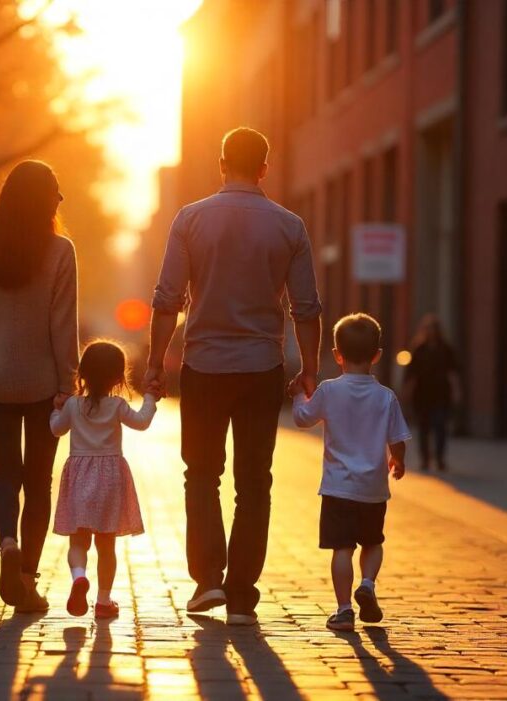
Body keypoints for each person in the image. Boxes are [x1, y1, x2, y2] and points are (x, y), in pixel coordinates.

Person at [146, 127, 322, 625]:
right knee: (254, 481)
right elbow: (306, 308)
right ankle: (242, 593)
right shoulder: (290, 227)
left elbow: (166, 299)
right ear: (264, 167)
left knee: (201, 475)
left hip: (203, 366)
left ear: (221, 163)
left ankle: (207, 582)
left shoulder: (190, 219)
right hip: (262, 368)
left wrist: (156, 365)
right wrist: (308, 369)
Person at [0, 160, 79, 613]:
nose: (61, 199)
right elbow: (63, 326)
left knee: (4, 475)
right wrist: (68, 383)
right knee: (39, 482)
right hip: (44, 385)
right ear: (42, 199)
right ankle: (27, 577)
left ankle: (7, 543)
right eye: (56, 191)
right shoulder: (61, 251)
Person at [292, 313, 411, 631]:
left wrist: (297, 394)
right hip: (373, 487)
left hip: (337, 488)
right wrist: (398, 461)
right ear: (377, 355)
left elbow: (303, 418)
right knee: (373, 542)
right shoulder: (386, 397)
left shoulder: (330, 391)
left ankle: (344, 609)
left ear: (337, 354)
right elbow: (398, 438)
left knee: (342, 549)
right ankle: (368, 583)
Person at [50, 340, 157, 619]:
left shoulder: (73, 405)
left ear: (82, 373)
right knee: (106, 545)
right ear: (118, 377)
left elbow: (56, 430)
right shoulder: (117, 405)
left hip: (79, 477)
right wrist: (150, 397)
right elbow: (142, 421)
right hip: (109, 479)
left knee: (78, 540)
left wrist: (55, 409)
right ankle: (103, 601)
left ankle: (78, 576)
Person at [403, 314, 460, 471]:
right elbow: (411, 374)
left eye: (434, 328)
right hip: (422, 395)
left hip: (441, 394)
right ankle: (425, 459)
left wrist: (456, 390)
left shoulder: (446, 349)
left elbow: (452, 372)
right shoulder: (418, 350)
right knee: (423, 428)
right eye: (428, 328)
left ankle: (440, 459)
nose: (431, 331)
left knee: (440, 427)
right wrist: (407, 391)